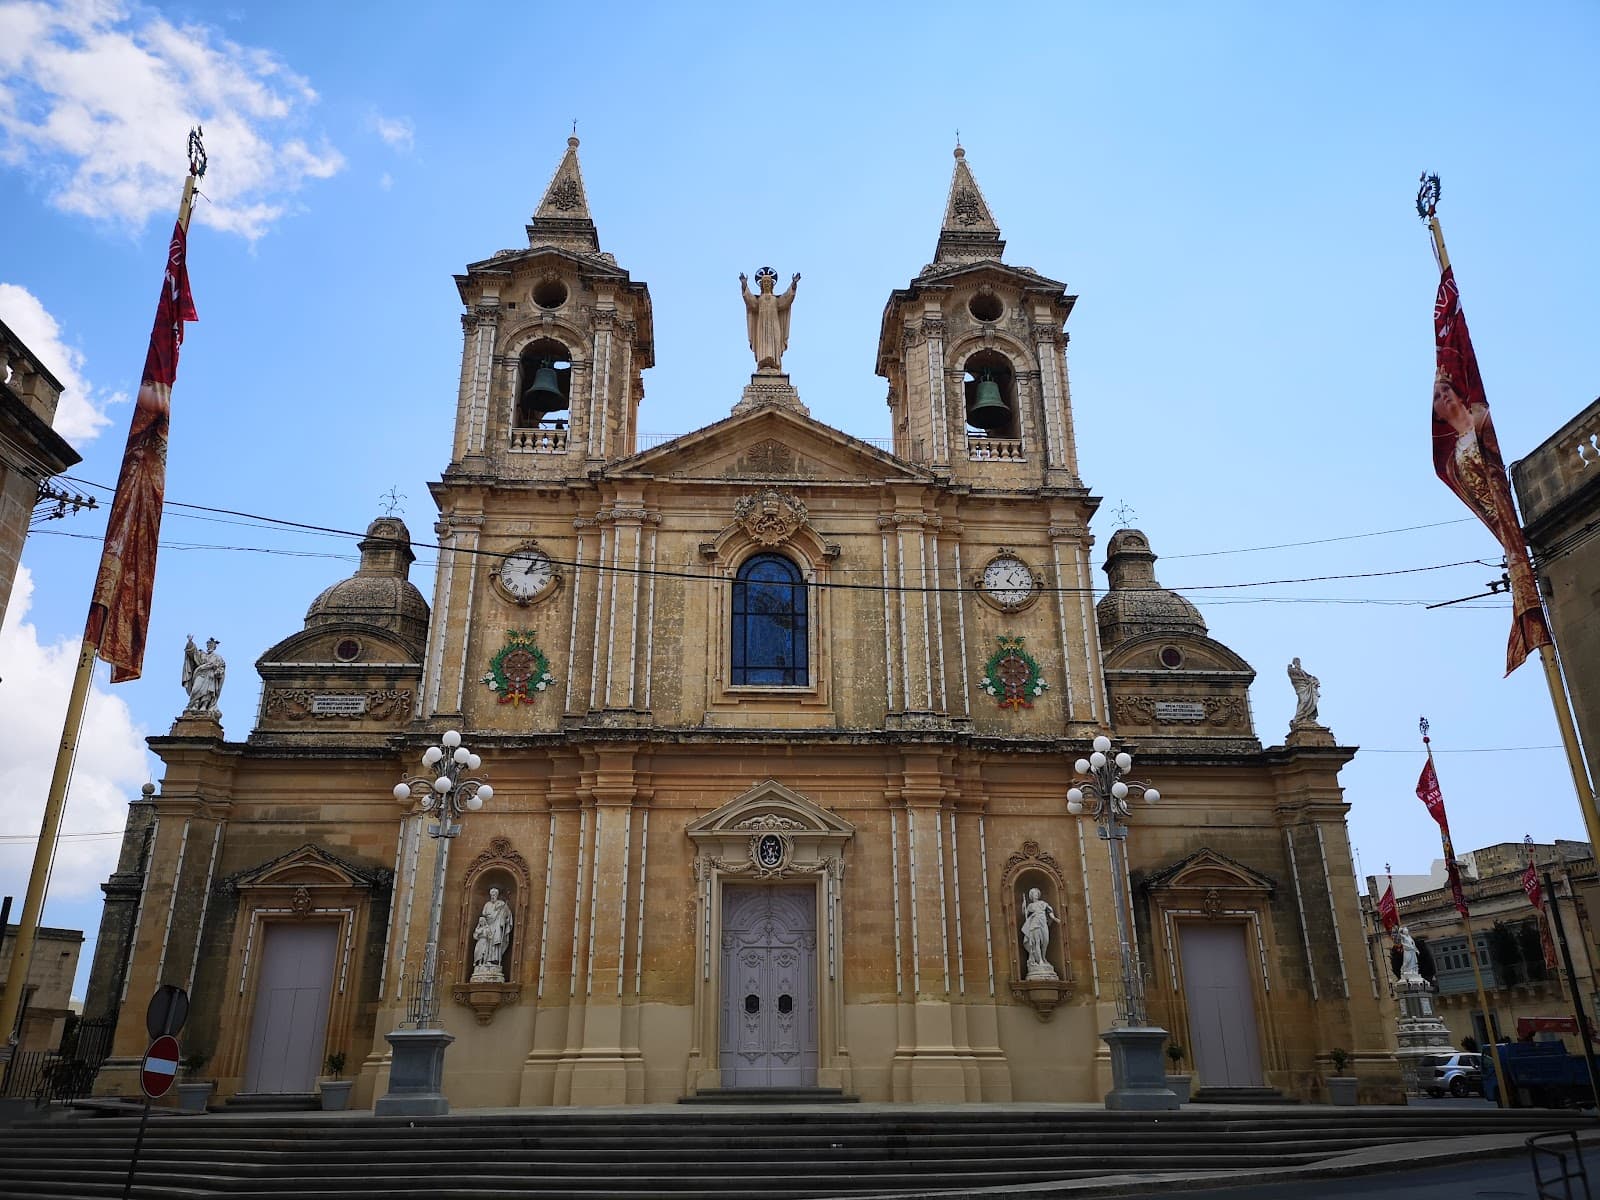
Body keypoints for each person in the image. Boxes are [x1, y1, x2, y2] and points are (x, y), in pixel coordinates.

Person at [740, 268, 800, 371]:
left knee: (774, 342)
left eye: (768, 282)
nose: (766, 284)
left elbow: (786, 299)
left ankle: (775, 363)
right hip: (762, 326)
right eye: (764, 282)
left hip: (774, 325)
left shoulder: (775, 300)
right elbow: (750, 301)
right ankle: (763, 363)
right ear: (761, 285)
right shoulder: (759, 300)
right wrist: (744, 285)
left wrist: (793, 284)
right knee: (763, 342)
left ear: (772, 285)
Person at [472, 887, 513, 981]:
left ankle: (493, 961)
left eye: (494, 895)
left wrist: (503, 911)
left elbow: (507, 914)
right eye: (492, 895)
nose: (493, 896)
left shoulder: (501, 903)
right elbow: (484, 914)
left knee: (495, 944)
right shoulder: (487, 904)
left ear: (497, 895)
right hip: (488, 926)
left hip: (497, 926)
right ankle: (483, 962)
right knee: (485, 945)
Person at [1019, 887, 1059, 979]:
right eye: (1033, 893)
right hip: (1034, 923)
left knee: (1045, 941)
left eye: (1037, 893)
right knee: (1036, 942)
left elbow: (1049, 911)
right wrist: (1023, 906)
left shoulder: (1043, 903)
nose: (1035, 895)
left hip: (1043, 922)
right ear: (1031, 896)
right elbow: (1024, 913)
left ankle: (1043, 957)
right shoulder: (1030, 906)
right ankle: (1040, 960)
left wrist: (1054, 918)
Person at [181, 635, 225, 713]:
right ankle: (194, 705)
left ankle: (204, 706)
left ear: (214, 647)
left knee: (208, 692)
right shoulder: (202, 654)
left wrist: (217, 672)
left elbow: (221, 668)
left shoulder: (218, 657)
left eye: (211, 645)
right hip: (200, 674)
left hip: (210, 676)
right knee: (195, 690)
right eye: (208, 644)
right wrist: (190, 643)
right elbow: (193, 653)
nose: (209, 646)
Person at [1287, 657, 1320, 725]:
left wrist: (1314, 679)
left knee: (1309, 700)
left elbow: (1309, 676)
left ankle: (1307, 717)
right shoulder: (1292, 670)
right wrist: (1289, 668)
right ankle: (1299, 718)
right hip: (1300, 687)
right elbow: (1292, 676)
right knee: (1304, 700)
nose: (1298, 663)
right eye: (1296, 661)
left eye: (1299, 661)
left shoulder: (1302, 670)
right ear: (1294, 662)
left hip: (1306, 686)